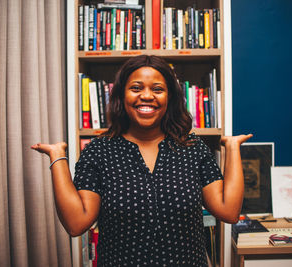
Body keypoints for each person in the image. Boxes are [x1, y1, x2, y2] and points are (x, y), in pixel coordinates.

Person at [31, 55, 252, 266]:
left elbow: (229, 211)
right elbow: (76, 223)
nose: (147, 96)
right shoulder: (99, 150)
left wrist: (232, 148)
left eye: (157, 89)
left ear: (170, 98)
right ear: (121, 96)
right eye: (136, 88)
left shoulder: (191, 148)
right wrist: (57, 156)